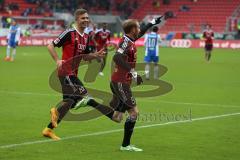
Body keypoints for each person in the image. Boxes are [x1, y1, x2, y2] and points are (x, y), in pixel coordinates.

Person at [77, 16, 162, 151]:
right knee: (134, 112)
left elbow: (141, 33)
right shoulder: (125, 42)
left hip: (121, 82)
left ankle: (90, 102)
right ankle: (125, 145)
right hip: (120, 83)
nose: (139, 29)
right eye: (138, 27)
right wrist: (133, 72)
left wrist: (151, 23)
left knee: (117, 117)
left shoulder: (130, 39)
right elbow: (117, 57)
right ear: (133, 29)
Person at [42, 8, 115, 140]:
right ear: (76, 19)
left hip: (73, 73)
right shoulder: (69, 33)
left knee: (69, 102)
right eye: (83, 18)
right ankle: (56, 111)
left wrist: (95, 55)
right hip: (65, 72)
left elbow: (85, 57)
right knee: (84, 96)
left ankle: (48, 129)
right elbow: (50, 46)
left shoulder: (86, 37)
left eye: (87, 18)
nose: (86, 20)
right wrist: (57, 60)